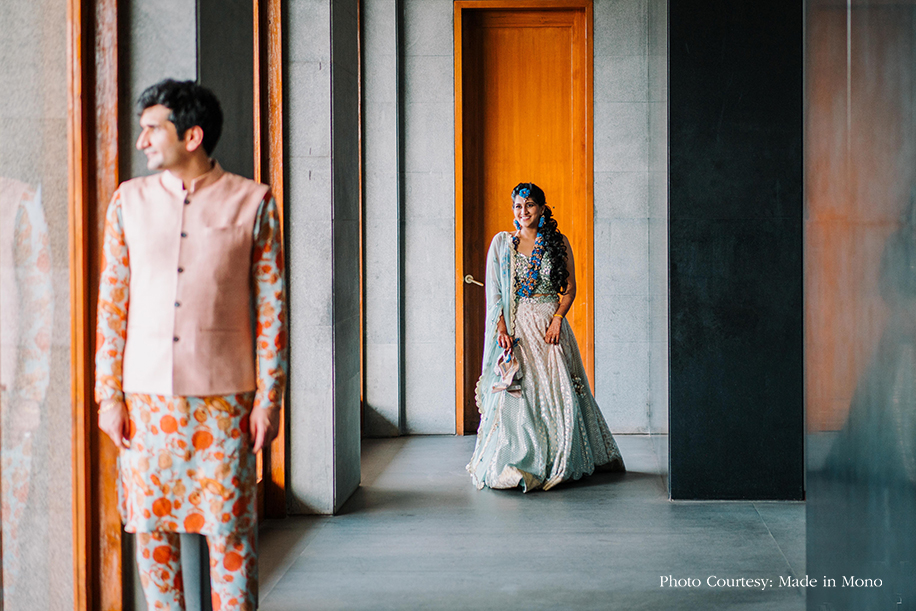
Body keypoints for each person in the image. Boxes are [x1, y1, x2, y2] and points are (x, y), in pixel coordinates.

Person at [94, 79, 287, 610]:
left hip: (226, 405)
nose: (142, 141)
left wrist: (269, 400)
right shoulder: (127, 203)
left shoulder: (253, 202)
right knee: (152, 538)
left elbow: (272, 312)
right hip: (145, 406)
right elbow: (111, 306)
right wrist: (108, 397)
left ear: (192, 135)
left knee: (232, 539)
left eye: (152, 129)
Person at [467, 182, 624, 491]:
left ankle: (562, 456)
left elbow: (570, 289)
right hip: (519, 327)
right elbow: (495, 293)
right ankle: (520, 460)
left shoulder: (557, 242)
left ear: (541, 208)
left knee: (560, 390)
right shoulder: (503, 244)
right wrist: (501, 329)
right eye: (518, 206)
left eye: (529, 205)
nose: (523, 211)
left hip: (551, 328)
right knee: (519, 392)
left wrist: (557, 320)